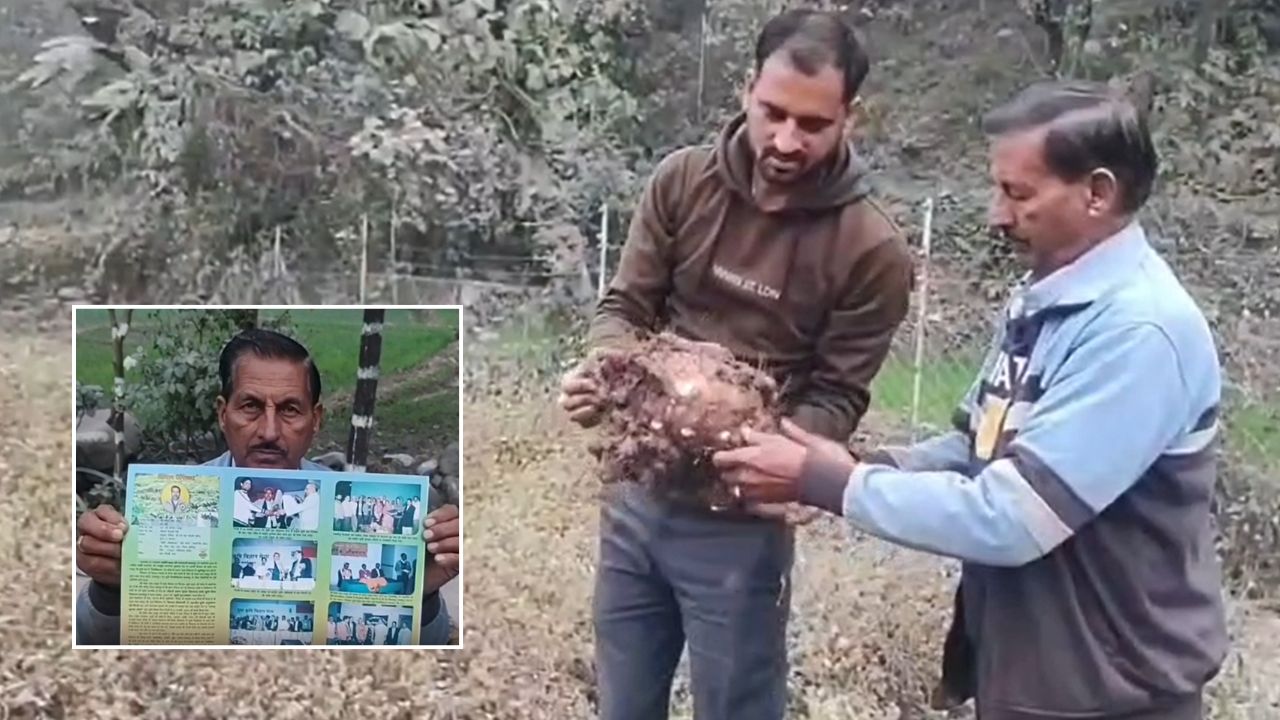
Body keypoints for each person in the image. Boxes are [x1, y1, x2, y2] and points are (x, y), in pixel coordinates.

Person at [712, 80, 1227, 720]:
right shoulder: (1047, 302)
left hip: (1111, 694)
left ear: (1098, 193)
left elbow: (1014, 516)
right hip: (1036, 677)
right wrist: (861, 463)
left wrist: (832, 485)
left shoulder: (1138, 334)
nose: (997, 214)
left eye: (1018, 193)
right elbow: (972, 449)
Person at [557, 9, 913, 719]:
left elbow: (838, 396)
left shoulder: (871, 249)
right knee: (623, 703)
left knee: (736, 705)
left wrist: (780, 461)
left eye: (812, 125)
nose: (786, 140)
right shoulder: (683, 182)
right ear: (746, 88)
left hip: (739, 524)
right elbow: (625, 306)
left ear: (852, 117)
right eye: (772, 113)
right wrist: (602, 367)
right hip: (637, 494)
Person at [75, 328, 461, 646]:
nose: (270, 431)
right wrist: (108, 588)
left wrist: (422, 596)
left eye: (290, 409)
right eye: (251, 407)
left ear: (316, 419)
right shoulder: (170, 508)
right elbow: (94, 638)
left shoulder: (349, 507)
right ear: (222, 413)